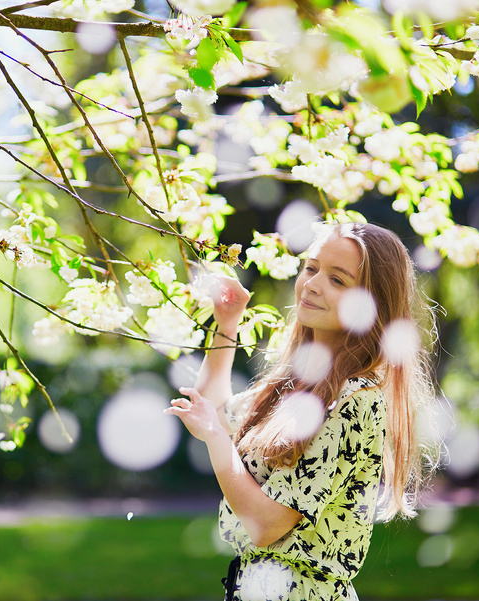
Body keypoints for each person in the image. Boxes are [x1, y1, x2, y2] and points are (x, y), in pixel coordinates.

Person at [165, 221, 438, 601]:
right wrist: (228, 325)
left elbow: (265, 525)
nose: (312, 283)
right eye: (311, 268)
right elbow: (214, 411)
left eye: (338, 280)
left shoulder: (354, 399)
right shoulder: (301, 379)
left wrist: (214, 437)